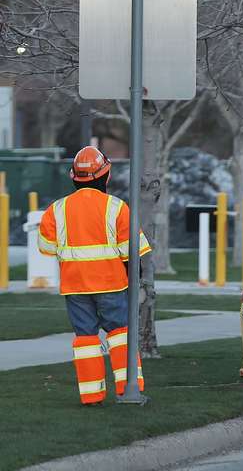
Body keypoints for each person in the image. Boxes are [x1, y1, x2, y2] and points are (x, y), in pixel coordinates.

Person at [37, 146, 151, 405]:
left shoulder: (56, 209)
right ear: (106, 175)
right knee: (120, 333)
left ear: (73, 177)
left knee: (86, 339)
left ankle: (91, 395)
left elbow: (46, 248)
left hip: (75, 287)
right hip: (112, 283)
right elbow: (133, 253)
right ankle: (127, 388)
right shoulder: (117, 207)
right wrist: (137, 280)